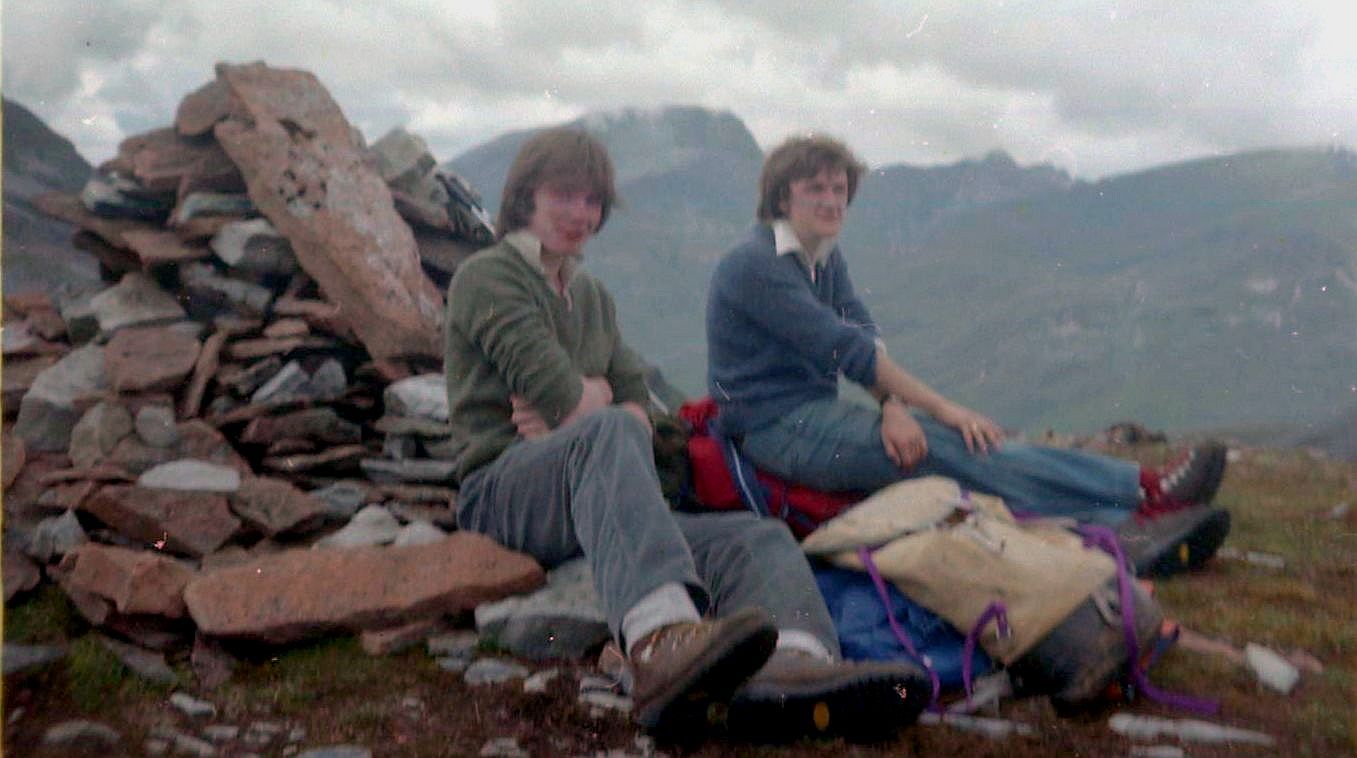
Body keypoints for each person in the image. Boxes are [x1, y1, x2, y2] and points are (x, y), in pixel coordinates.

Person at [444, 128, 929, 740]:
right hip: (503, 493)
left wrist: (592, 407)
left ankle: (798, 667)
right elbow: (578, 406)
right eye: (564, 195)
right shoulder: (489, 278)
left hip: (599, 501)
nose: (580, 214)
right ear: (524, 198)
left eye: (592, 201)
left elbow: (634, 410)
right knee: (610, 430)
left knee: (756, 536)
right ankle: (659, 642)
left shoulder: (591, 296)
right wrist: (593, 406)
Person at [706, 134, 1227, 536]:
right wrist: (943, 407)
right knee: (938, 446)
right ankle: (1136, 502)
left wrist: (892, 405)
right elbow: (844, 347)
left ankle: (1136, 494)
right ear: (780, 198)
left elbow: (860, 328)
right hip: (773, 430)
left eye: (839, 189)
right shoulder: (757, 265)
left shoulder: (821, 256)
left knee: (950, 444)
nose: (831, 200)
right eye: (814, 189)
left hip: (809, 417)